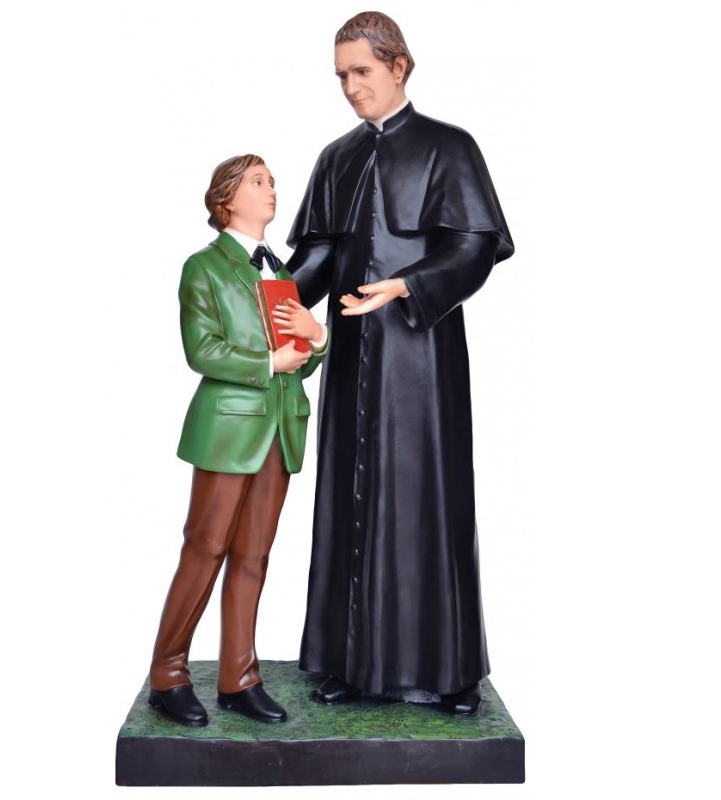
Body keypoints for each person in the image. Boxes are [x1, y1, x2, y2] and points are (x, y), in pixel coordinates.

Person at [287, 11, 514, 714]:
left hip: (421, 357)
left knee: (429, 500)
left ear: (399, 66)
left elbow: (473, 247)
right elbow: (316, 257)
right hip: (350, 355)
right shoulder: (336, 157)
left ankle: (449, 674)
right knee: (348, 500)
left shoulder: (451, 146)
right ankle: (351, 666)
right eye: (341, 76)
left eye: (361, 71)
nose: (350, 88)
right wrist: (261, 296)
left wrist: (407, 286)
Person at [147, 154, 329, 726]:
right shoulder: (204, 267)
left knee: (253, 554)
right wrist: (268, 362)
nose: (271, 189)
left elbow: (298, 360)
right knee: (205, 549)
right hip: (229, 429)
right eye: (257, 181)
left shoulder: (280, 272)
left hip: (280, 427)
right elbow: (202, 350)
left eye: (272, 180)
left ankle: (239, 677)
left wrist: (316, 339)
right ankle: (168, 674)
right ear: (226, 200)